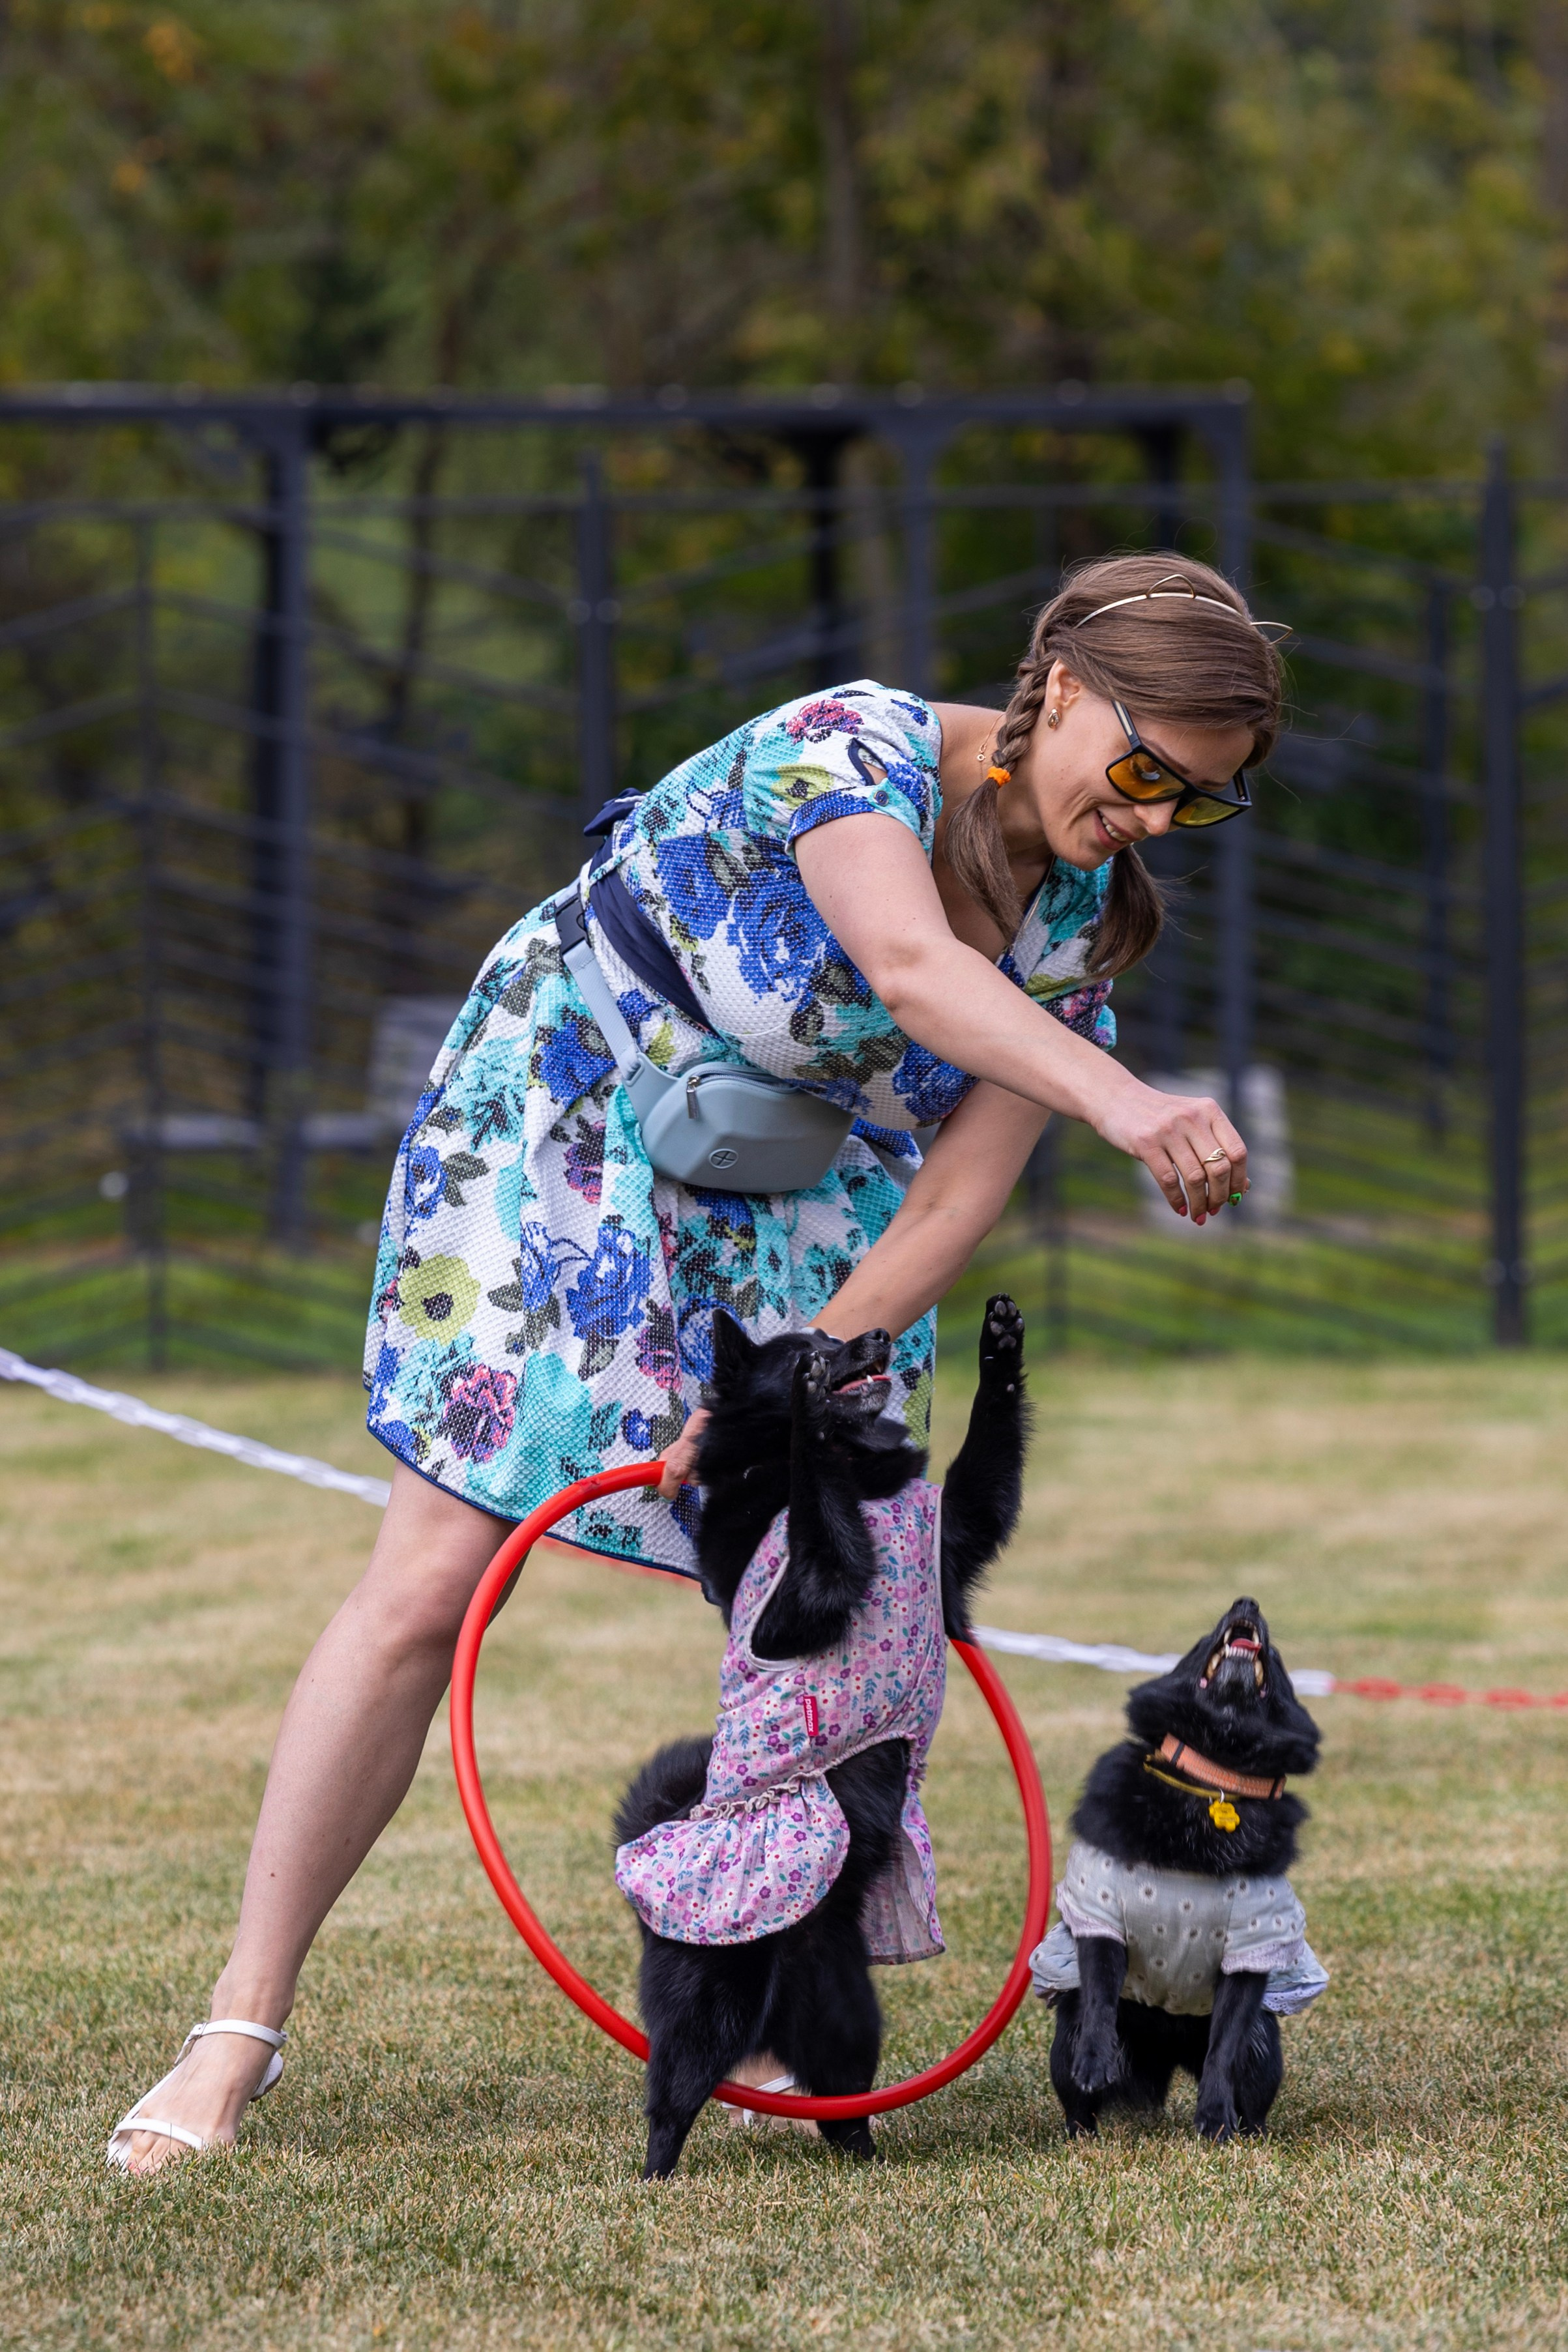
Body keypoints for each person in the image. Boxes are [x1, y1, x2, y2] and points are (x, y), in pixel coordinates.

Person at [108, 550, 1282, 2171]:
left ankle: (799, 2009)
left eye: (1198, 804)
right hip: (579, 1104)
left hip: (798, 1182)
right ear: (1064, 687)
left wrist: (805, 1372)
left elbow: (954, 1189)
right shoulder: (847, 748)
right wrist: (1123, 1094)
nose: (1155, 818)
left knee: (834, 1611)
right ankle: (235, 2029)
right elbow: (911, 973)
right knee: (437, 1572)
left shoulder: (1084, 913)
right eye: (1148, 771)